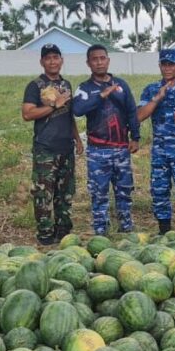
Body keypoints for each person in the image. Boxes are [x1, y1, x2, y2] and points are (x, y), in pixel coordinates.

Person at [72, 44, 140, 236]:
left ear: (108, 60)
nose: (99, 62)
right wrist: (101, 96)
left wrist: (135, 137)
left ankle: (126, 227)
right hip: (97, 151)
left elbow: (132, 111)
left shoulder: (121, 85)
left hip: (120, 149)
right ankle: (101, 230)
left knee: (124, 190)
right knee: (99, 192)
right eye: (95, 59)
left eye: (103, 58)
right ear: (88, 63)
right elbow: (77, 110)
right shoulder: (85, 88)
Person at [21, 43, 82, 246]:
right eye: (48, 58)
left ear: (61, 60)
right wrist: (53, 105)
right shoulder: (35, 86)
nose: (52, 61)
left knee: (65, 194)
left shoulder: (66, 85)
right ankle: (45, 236)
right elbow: (27, 114)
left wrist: (77, 138)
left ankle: (63, 233)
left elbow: (69, 115)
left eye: (56, 57)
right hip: (45, 149)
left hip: (66, 148)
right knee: (43, 195)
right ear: (42, 62)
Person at [137, 48, 175, 239]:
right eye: (164, 64)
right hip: (160, 152)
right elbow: (139, 116)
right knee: (160, 192)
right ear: (160, 66)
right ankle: (165, 233)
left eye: (172, 64)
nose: (168, 68)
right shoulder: (151, 89)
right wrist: (157, 99)